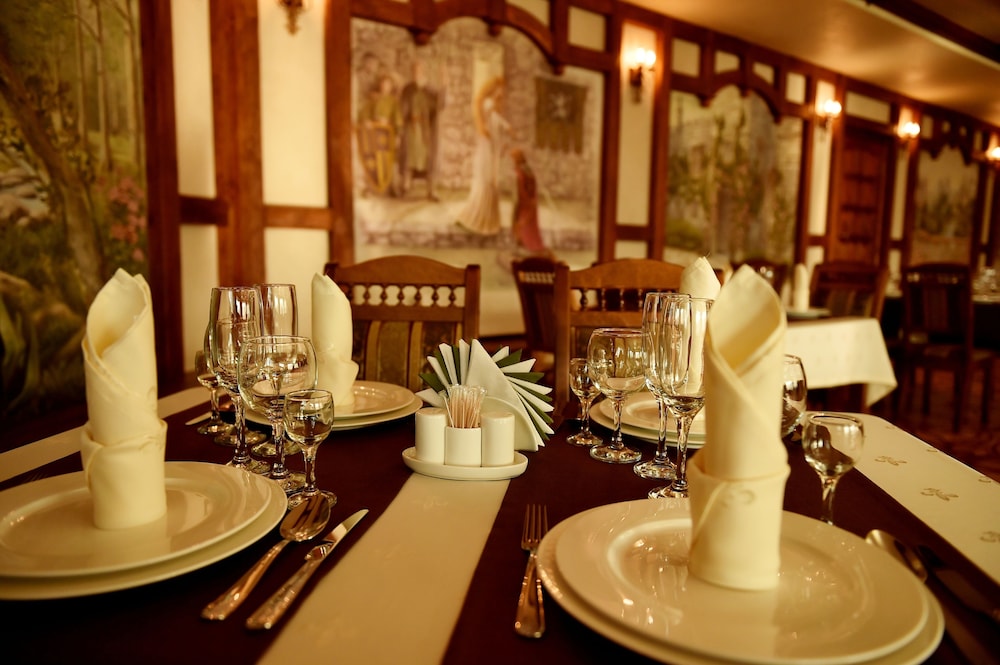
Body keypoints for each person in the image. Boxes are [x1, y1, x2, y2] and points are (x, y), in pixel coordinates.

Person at [455, 76, 511, 235]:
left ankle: (489, 220)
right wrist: (483, 126)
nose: (501, 92)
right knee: (485, 176)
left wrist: (505, 130)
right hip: (487, 142)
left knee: (491, 178)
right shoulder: (486, 102)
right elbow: (484, 113)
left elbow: (496, 119)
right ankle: (476, 217)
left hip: (493, 142)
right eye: (499, 88)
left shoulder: (494, 103)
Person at [398, 59, 443, 200]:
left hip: (426, 130)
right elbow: (402, 109)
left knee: (428, 158)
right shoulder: (408, 89)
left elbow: (440, 105)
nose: (416, 73)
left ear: (424, 72)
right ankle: (405, 186)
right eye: (414, 70)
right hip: (411, 130)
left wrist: (444, 87)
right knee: (409, 157)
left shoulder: (431, 90)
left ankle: (431, 190)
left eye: (419, 70)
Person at [510, 148, 550, 256]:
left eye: (514, 159)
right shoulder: (525, 170)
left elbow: (524, 189)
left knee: (523, 225)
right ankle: (523, 246)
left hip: (525, 203)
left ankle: (528, 248)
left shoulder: (522, 172)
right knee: (522, 225)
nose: (513, 161)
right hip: (526, 202)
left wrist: (524, 202)